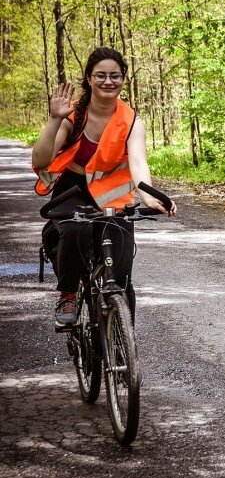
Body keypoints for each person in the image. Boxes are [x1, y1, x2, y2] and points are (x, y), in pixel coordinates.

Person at [31, 47, 176, 328]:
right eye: (101, 76)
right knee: (73, 230)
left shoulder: (132, 120)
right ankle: (68, 295)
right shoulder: (72, 116)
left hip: (112, 194)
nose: (108, 82)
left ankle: (123, 343)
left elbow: (138, 163)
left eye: (115, 76)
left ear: (123, 80)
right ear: (89, 78)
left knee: (121, 278)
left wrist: (149, 196)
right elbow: (40, 159)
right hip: (72, 191)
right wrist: (54, 120)